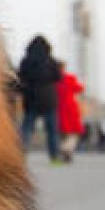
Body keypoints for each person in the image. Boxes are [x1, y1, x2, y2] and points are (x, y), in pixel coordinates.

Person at [17, 35, 62, 163]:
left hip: (31, 97)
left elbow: (20, 78)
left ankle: (20, 155)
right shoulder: (51, 61)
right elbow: (58, 77)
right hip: (48, 99)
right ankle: (54, 157)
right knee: (52, 131)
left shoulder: (26, 61)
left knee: (26, 129)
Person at [55, 61, 84, 163]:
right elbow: (80, 88)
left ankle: (65, 151)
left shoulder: (54, 80)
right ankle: (66, 149)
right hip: (71, 107)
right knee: (74, 132)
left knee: (63, 132)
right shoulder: (70, 78)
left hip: (59, 107)